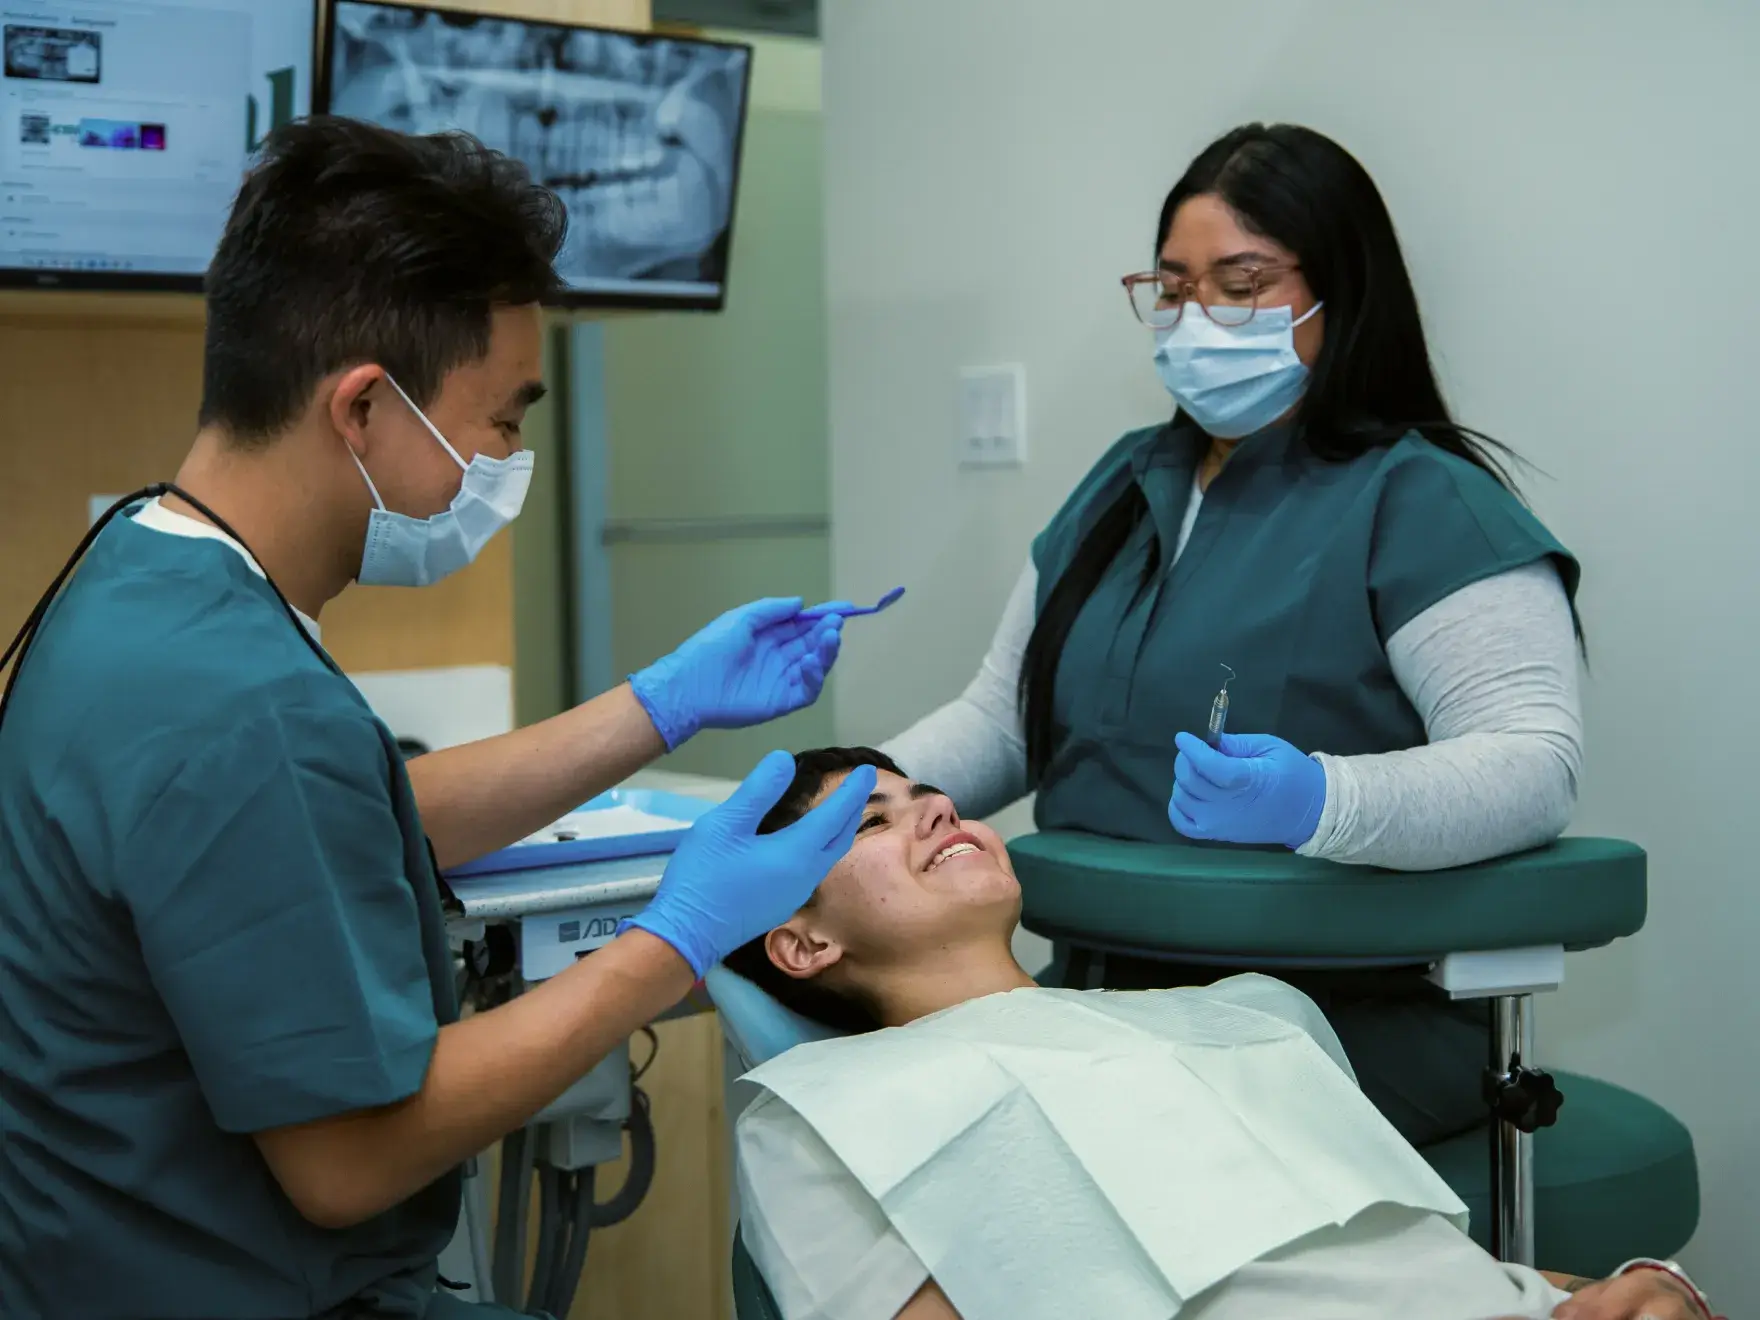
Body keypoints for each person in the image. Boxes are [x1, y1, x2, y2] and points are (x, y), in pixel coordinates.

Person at [0, 118, 881, 1320]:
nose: (506, 461)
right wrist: (670, 942)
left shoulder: (140, 569)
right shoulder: (243, 705)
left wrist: (654, 708)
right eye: (504, 421)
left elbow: (335, 824)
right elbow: (347, 1160)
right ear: (362, 408)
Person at [881, 122, 1583, 1147]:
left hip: (1332, 1027)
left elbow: (1533, 763)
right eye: (1171, 288)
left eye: (1240, 283)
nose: (1195, 316)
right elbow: (1000, 724)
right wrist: (837, 794)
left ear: (1337, 292)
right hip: (1100, 1000)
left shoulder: (1424, 501)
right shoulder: (1122, 486)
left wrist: (1320, 800)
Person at [723, 750, 1714, 1320]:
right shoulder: (817, 1115)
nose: (934, 805)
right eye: (867, 821)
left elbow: (1411, 1263)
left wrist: (1632, 1290)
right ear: (801, 942)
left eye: (922, 792)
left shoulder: (1249, 1013)